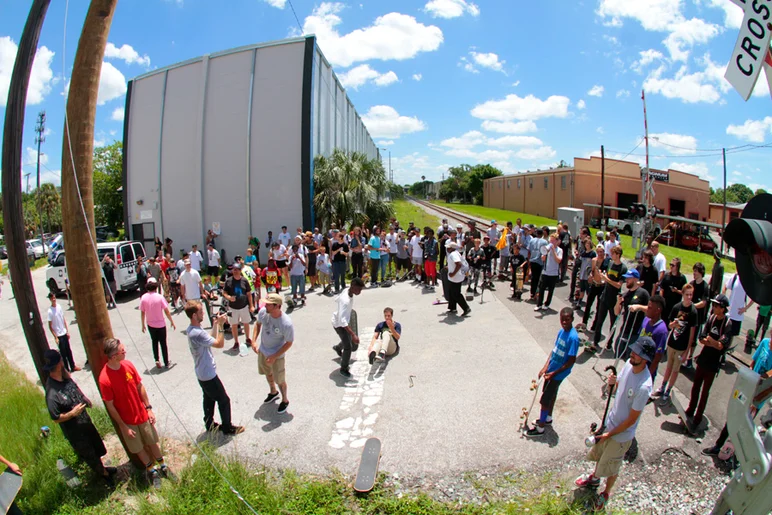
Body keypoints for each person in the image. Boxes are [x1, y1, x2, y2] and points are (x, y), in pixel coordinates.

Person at [575, 337, 655, 510]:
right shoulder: (628, 365)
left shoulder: (644, 387)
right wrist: (613, 382)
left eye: (638, 353)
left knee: (612, 465)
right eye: (634, 350)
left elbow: (631, 420)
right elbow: (619, 385)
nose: (633, 354)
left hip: (621, 436)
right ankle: (595, 479)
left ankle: (606, 493)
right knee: (600, 455)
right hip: (610, 422)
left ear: (645, 359)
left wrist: (608, 435)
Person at [100, 338, 170, 485]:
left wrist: (148, 408)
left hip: (142, 415)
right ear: (114, 356)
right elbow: (110, 406)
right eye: (122, 350)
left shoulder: (128, 365)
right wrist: (123, 426)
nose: (125, 351)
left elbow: (140, 386)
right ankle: (152, 471)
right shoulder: (104, 379)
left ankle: (163, 466)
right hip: (127, 422)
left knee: (152, 442)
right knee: (138, 449)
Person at [43, 349, 117, 486]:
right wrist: (71, 414)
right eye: (61, 360)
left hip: (85, 422)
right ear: (59, 364)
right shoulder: (52, 393)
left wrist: (84, 398)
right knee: (89, 454)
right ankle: (105, 476)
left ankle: (103, 469)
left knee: (97, 448)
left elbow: (74, 387)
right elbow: (55, 418)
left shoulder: (64, 377)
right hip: (76, 432)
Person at [702, 332, 772, 457]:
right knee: (732, 418)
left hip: (757, 399)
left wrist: (757, 401)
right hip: (747, 389)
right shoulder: (765, 342)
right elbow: (753, 362)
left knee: (743, 427)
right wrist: (748, 377)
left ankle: (734, 454)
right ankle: (718, 446)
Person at [184, 300, 245, 435]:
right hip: (208, 374)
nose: (203, 313)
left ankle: (209, 424)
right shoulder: (197, 333)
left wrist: (216, 324)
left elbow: (209, 339)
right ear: (194, 315)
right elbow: (219, 344)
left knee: (209, 398)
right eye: (200, 311)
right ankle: (227, 427)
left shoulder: (193, 330)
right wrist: (222, 326)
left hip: (202, 372)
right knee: (224, 400)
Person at [526, 307, 580, 437]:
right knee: (551, 395)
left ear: (572, 319)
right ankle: (547, 418)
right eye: (562, 319)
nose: (564, 322)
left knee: (545, 400)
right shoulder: (561, 332)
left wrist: (553, 373)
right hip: (551, 370)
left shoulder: (573, 338)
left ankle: (540, 428)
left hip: (557, 374)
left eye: (567, 320)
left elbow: (571, 361)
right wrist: (545, 367)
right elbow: (554, 351)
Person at [685, 294, 732, 427]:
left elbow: (721, 346)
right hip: (703, 359)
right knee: (695, 387)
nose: (714, 307)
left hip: (713, 363)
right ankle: (690, 409)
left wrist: (711, 341)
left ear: (722, 308)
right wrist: (712, 342)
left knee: (705, 392)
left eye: (716, 305)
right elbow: (702, 338)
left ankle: (698, 417)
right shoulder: (711, 318)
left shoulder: (727, 324)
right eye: (713, 305)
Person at [251, 293, 294, 413]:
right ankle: (273, 392)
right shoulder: (263, 312)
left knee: (280, 380)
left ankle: (285, 400)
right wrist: (253, 341)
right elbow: (257, 324)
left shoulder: (286, 323)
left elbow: (289, 342)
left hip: (277, 355)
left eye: (269, 304)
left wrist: (274, 356)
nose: (265, 306)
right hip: (263, 351)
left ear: (277, 306)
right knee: (267, 373)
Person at [655, 284, 698, 403]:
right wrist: (672, 325)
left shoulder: (693, 312)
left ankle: (668, 389)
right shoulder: (676, 307)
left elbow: (692, 335)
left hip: (682, 347)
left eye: (691, 294)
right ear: (682, 294)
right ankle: (662, 386)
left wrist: (687, 352)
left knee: (675, 370)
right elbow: (669, 325)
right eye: (687, 294)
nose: (689, 297)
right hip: (672, 343)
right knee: (668, 366)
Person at [588, 245, 627, 352]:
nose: (611, 255)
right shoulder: (610, 264)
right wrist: (602, 276)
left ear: (618, 255)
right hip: (605, 296)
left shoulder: (623, 268)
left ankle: (609, 344)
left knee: (612, 323)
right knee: (599, 320)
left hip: (614, 299)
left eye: (613, 253)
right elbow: (606, 277)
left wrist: (606, 279)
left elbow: (618, 285)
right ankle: (595, 341)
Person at [610, 269, 650, 357]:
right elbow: (616, 312)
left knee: (630, 356)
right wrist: (618, 302)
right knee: (618, 352)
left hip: (636, 331)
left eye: (629, 278)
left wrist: (639, 307)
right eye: (626, 278)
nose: (626, 280)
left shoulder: (643, 293)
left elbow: (650, 309)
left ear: (635, 279)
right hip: (625, 329)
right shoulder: (626, 294)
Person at [331, 278, 366, 377]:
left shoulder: (347, 290)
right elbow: (342, 322)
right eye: (359, 289)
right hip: (339, 325)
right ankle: (343, 369)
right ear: (353, 286)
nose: (360, 292)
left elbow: (336, 299)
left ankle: (338, 347)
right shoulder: (345, 301)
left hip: (342, 320)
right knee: (348, 346)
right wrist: (353, 334)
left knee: (347, 339)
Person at [140, 278, 176, 368]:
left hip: (150, 324)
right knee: (163, 343)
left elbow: (142, 312)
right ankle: (166, 362)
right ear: (156, 286)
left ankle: (156, 359)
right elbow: (166, 311)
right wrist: (172, 321)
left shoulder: (143, 297)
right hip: (160, 324)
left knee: (154, 342)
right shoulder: (159, 297)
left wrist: (143, 325)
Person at [637, 295, 669, 388]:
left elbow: (657, 357)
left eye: (650, 307)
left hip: (646, 369)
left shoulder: (661, 331)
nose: (647, 309)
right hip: (636, 364)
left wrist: (647, 376)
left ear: (658, 310)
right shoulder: (646, 320)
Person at [47, 291, 82, 374]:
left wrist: (67, 331)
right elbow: (50, 326)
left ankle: (73, 366)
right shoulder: (50, 311)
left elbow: (63, 319)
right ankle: (66, 369)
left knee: (68, 351)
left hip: (64, 332)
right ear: (50, 299)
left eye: (54, 297)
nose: (54, 299)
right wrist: (55, 337)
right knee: (63, 354)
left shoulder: (59, 306)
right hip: (59, 334)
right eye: (52, 298)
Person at [683, 263, 710, 369]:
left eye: (696, 271)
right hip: (688, 315)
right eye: (693, 271)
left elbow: (703, 302)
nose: (694, 273)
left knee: (693, 339)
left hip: (698, 317)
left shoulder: (705, 287)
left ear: (701, 273)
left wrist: (692, 305)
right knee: (684, 335)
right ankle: (683, 355)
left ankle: (689, 358)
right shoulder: (691, 284)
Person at [223, 264, 254, 351]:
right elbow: (224, 292)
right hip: (233, 307)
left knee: (246, 323)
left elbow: (249, 294)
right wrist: (229, 297)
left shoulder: (244, 280)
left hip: (244, 306)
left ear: (240, 271)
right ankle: (236, 342)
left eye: (237, 269)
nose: (235, 271)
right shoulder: (228, 281)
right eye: (234, 269)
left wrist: (251, 305)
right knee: (234, 325)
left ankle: (247, 338)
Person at [723, 272, 753, 361]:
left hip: (737, 315)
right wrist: (724, 299)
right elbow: (725, 286)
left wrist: (745, 308)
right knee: (724, 333)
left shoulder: (748, 281)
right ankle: (721, 352)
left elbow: (754, 297)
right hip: (729, 312)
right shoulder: (735, 277)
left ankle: (723, 354)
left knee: (731, 336)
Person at [577, 245, 608, 331]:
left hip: (602, 286)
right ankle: (584, 323)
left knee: (599, 307)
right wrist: (590, 275)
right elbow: (592, 270)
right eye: (598, 252)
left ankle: (594, 326)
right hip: (594, 285)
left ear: (604, 252)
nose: (600, 254)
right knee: (588, 304)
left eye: (601, 252)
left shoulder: (607, 261)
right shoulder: (594, 260)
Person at [535, 232, 563, 311]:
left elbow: (558, 260)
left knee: (550, 290)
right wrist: (544, 254)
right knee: (541, 289)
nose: (551, 242)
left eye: (553, 241)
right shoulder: (547, 249)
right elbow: (543, 259)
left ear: (557, 241)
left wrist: (553, 251)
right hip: (545, 272)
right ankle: (539, 304)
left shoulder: (559, 250)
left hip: (553, 273)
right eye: (550, 241)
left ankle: (547, 304)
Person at [446, 241, 471, 317]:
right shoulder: (455, 253)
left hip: (455, 277)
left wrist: (453, 273)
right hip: (455, 277)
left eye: (448, 247)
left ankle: (466, 308)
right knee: (451, 292)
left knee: (456, 294)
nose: (447, 249)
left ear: (452, 248)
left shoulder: (453, 254)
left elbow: (459, 264)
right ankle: (452, 308)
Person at [659, 257, 687, 323]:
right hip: (665, 305)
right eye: (670, 264)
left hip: (675, 306)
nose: (671, 266)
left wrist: (677, 291)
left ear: (677, 267)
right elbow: (661, 289)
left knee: (672, 323)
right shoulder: (666, 276)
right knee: (663, 321)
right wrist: (661, 300)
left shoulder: (682, 278)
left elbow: (684, 293)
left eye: (673, 265)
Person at [527, 229, 548, 301]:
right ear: (542, 234)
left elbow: (529, 251)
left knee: (533, 278)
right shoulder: (544, 242)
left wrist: (528, 260)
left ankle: (532, 293)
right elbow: (545, 252)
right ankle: (537, 293)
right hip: (540, 262)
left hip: (533, 261)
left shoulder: (532, 240)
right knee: (539, 279)